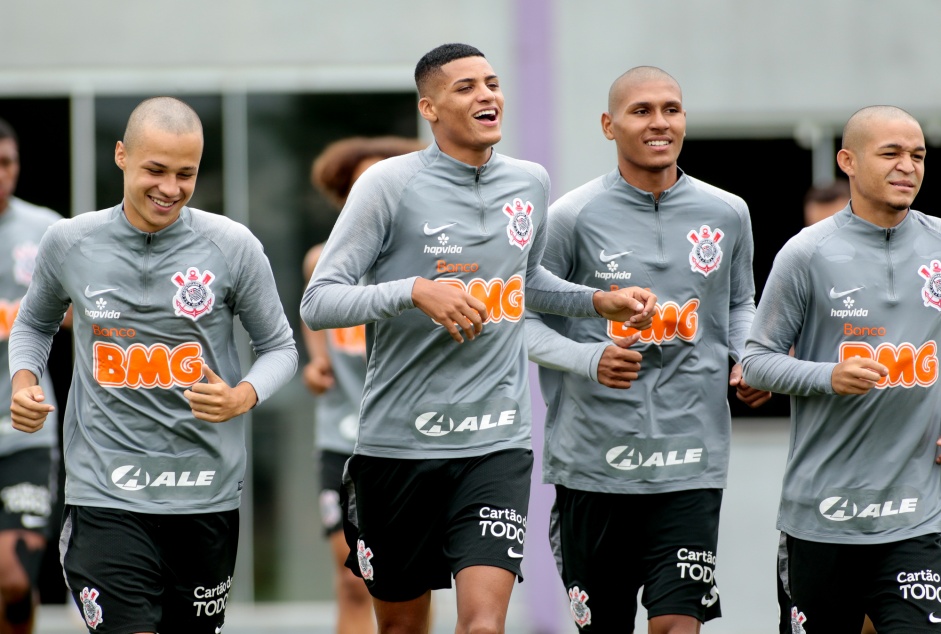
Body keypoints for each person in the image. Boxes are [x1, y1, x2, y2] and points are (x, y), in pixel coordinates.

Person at [301, 43, 656, 634]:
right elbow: (320, 302)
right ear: (430, 108)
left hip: (496, 441)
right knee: (402, 627)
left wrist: (596, 299)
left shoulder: (529, 182)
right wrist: (414, 290)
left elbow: (527, 282)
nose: (486, 95)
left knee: (484, 624)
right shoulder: (387, 185)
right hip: (397, 447)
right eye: (465, 87)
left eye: (491, 83)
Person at [9, 97, 297, 634]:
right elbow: (33, 325)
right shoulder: (70, 242)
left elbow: (280, 347)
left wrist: (243, 395)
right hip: (105, 493)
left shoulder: (232, 246)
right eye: (155, 170)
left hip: (205, 493)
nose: (170, 188)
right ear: (121, 156)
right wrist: (24, 381)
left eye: (186, 174)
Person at [526, 66, 770, 633]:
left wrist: (748, 356)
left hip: (691, 456)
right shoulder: (570, 216)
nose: (660, 122)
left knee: (676, 625)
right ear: (609, 126)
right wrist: (589, 359)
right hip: (594, 464)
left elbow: (738, 303)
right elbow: (524, 322)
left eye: (671, 109)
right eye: (642, 111)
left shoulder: (727, 212)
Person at [743, 105, 941, 633]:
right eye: (891, 153)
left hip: (919, 515)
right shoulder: (807, 253)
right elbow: (756, 363)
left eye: (918, 155)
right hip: (822, 517)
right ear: (848, 161)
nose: (908, 166)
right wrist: (826, 376)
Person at [303, 136, 425, 634]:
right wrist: (315, 369)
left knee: (409, 578)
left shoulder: (419, 262)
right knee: (354, 577)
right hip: (340, 435)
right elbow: (317, 336)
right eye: (359, 185)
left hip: (406, 439)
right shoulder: (321, 261)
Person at [0, 118, 62, 634]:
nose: (0, 175)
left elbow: (86, 304)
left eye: (6, 163)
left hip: (25, 429)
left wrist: (41, 311)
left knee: (16, 581)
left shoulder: (48, 231)